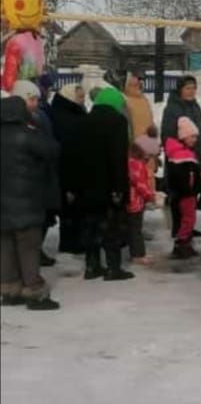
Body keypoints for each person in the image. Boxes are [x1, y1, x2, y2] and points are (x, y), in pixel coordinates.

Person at [64, 84, 133, 280]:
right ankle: (113, 267)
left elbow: (74, 156)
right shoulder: (117, 122)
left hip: (86, 186)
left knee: (90, 225)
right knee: (112, 227)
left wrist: (73, 186)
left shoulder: (83, 121)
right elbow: (118, 158)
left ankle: (92, 266)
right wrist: (119, 188)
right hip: (109, 185)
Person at [1, 95, 60, 309]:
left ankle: (9, 290)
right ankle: (34, 291)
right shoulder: (28, 135)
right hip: (26, 200)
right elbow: (52, 151)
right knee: (28, 247)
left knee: (5, 246)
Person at [49, 81, 88, 253]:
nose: (82, 100)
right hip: (66, 167)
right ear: (70, 97)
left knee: (75, 208)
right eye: (79, 97)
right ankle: (69, 243)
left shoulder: (73, 111)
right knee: (69, 209)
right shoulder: (63, 116)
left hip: (76, 166)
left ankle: (74, 241)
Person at [164, 117, 201, 258]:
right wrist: (189, 190)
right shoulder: (180, 155)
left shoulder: (186, 152)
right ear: (183, 136)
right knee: (187, 219)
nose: (195, 139)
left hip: (188, 193)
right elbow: (178, 178)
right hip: (185, 194)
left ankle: (184, 242)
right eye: (192, 136)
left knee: (188, 218)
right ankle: (182, 243)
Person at [126, 139, 157, 265]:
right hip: (135, 202)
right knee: (136, 230)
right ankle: (138, 255)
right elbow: (139, 183)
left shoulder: (130, 163)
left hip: (132, 200)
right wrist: (150, 195)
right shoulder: (136, 164)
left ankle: (138, 253)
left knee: (134, 229)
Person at [123, 72, 154, 140]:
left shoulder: (126, 101)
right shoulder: (144, 100)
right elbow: (151, 121)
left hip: (135, 143)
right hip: (147, 141)